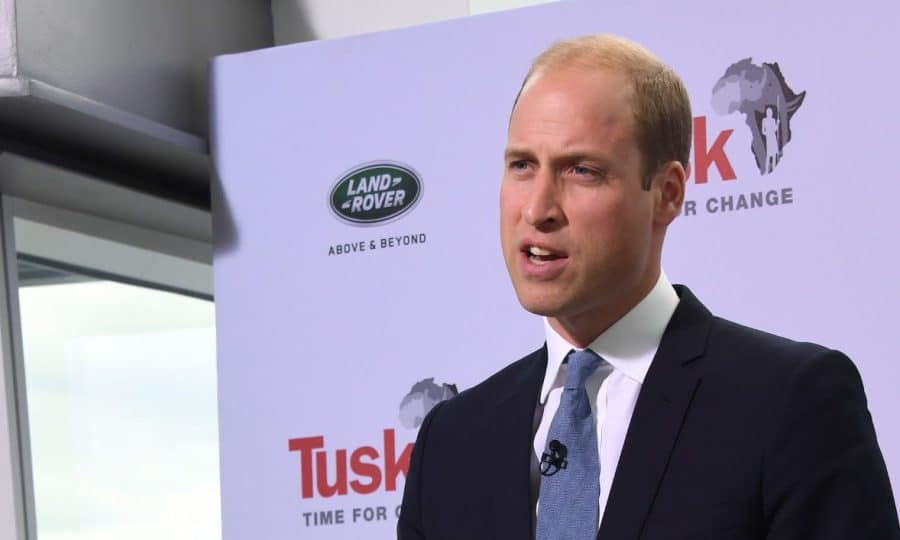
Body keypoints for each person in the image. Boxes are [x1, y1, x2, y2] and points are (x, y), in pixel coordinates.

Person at [397, 34, 899, 540]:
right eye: (522, 165)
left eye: (581, 170)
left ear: (667, 194)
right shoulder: (451, 443)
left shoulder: (790, 403)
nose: (537, 209)